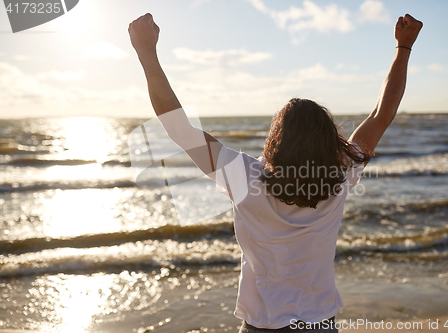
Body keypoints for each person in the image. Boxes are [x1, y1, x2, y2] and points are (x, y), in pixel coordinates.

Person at [128, 13, 423, 333]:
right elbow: (382, 114)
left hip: (262, 326)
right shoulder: (340, 174)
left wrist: (146, 51)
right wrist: (403, 46)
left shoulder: (243, 175)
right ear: (328, 139)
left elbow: (177, 127)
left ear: (276, 139)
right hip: (318, 324)